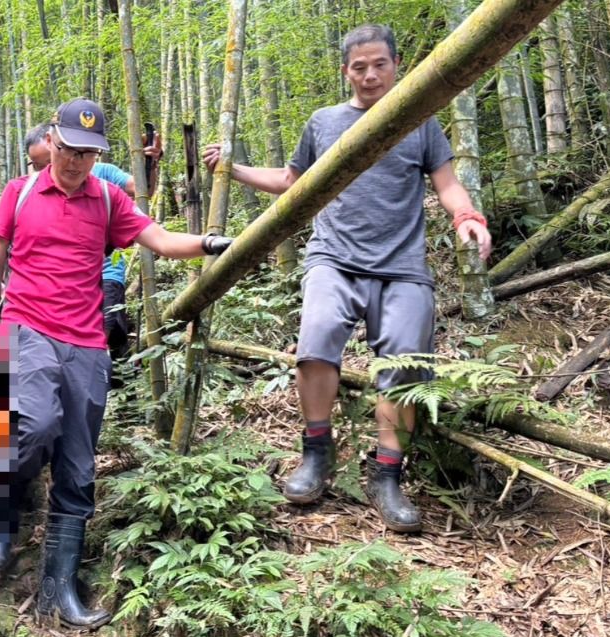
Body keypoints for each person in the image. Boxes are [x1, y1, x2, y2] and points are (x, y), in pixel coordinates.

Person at [203, 24, 492, 533]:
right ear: (346, 72)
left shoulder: (419, 120)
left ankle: (386, 475)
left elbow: (447, 183)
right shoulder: (324, 122)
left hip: (402, 264)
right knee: (314, 344)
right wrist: (235, 168)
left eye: (379, 64)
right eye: (359, 67)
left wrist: (467, 217)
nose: (370, 75)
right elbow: (293, 183)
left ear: (396, 65)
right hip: (333, 257)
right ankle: (317, 452)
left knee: (404, 364)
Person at [0, 98, 233, 627]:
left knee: (77, 463)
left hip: (87, 340)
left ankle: (59, 589)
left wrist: (209, 242)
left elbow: (157, 239)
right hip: (27, 325)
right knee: (36, 423)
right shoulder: (19, 192)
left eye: (87, 154)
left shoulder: (109, 198)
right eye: (68, 149)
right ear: (51, 139)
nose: (74, 162)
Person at [23, 124, 163, 377]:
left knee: (107, 329)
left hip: (106, 273)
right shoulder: (26, 190)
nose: (47, 171)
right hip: (59, 285)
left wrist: (150, 164)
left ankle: (118, 395)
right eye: (37, 165)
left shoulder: (104, 177)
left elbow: (142, 190)